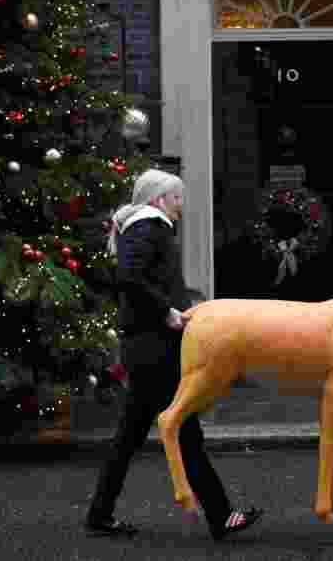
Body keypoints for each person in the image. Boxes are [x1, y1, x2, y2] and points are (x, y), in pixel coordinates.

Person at [85, 169, 263, 540]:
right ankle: (221, 515)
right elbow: (129, 276)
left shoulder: (143, 227)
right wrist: (166, 310)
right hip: (154, 347)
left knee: (131, 435)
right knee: (185, 430)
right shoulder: (149, 227)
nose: (182, 205)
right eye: (177, 198)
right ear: (159, 200)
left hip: (144, 345)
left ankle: (99, 515)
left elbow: (137, 277)